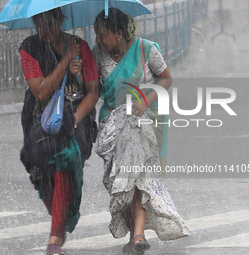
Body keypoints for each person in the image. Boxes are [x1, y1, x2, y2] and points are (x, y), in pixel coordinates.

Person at [93, 8, 190, 254]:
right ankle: (134, 232)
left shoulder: (146, 49)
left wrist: (145, 101)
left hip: (143, 122)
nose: (98, 40)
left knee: (140, 179)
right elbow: (92, 88)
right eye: (96, 35)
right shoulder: (98, 55)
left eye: (102, 35)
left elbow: (166, 79)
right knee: (122, 181)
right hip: (113, 125)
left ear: (119, 33)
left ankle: (138, 235)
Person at [19, 7, 100, 255]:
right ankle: (59, 217)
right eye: (40, 25)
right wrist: (65, 61)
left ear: (60, 21)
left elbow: (93, 90)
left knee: (65, 162)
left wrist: (73, 121)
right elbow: (41, 91)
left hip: (77, 117)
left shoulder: (80, 46)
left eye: (51, 25)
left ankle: (54, 239)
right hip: (39, 119)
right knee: (42, 175)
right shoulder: (29, 48)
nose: (45, 31)